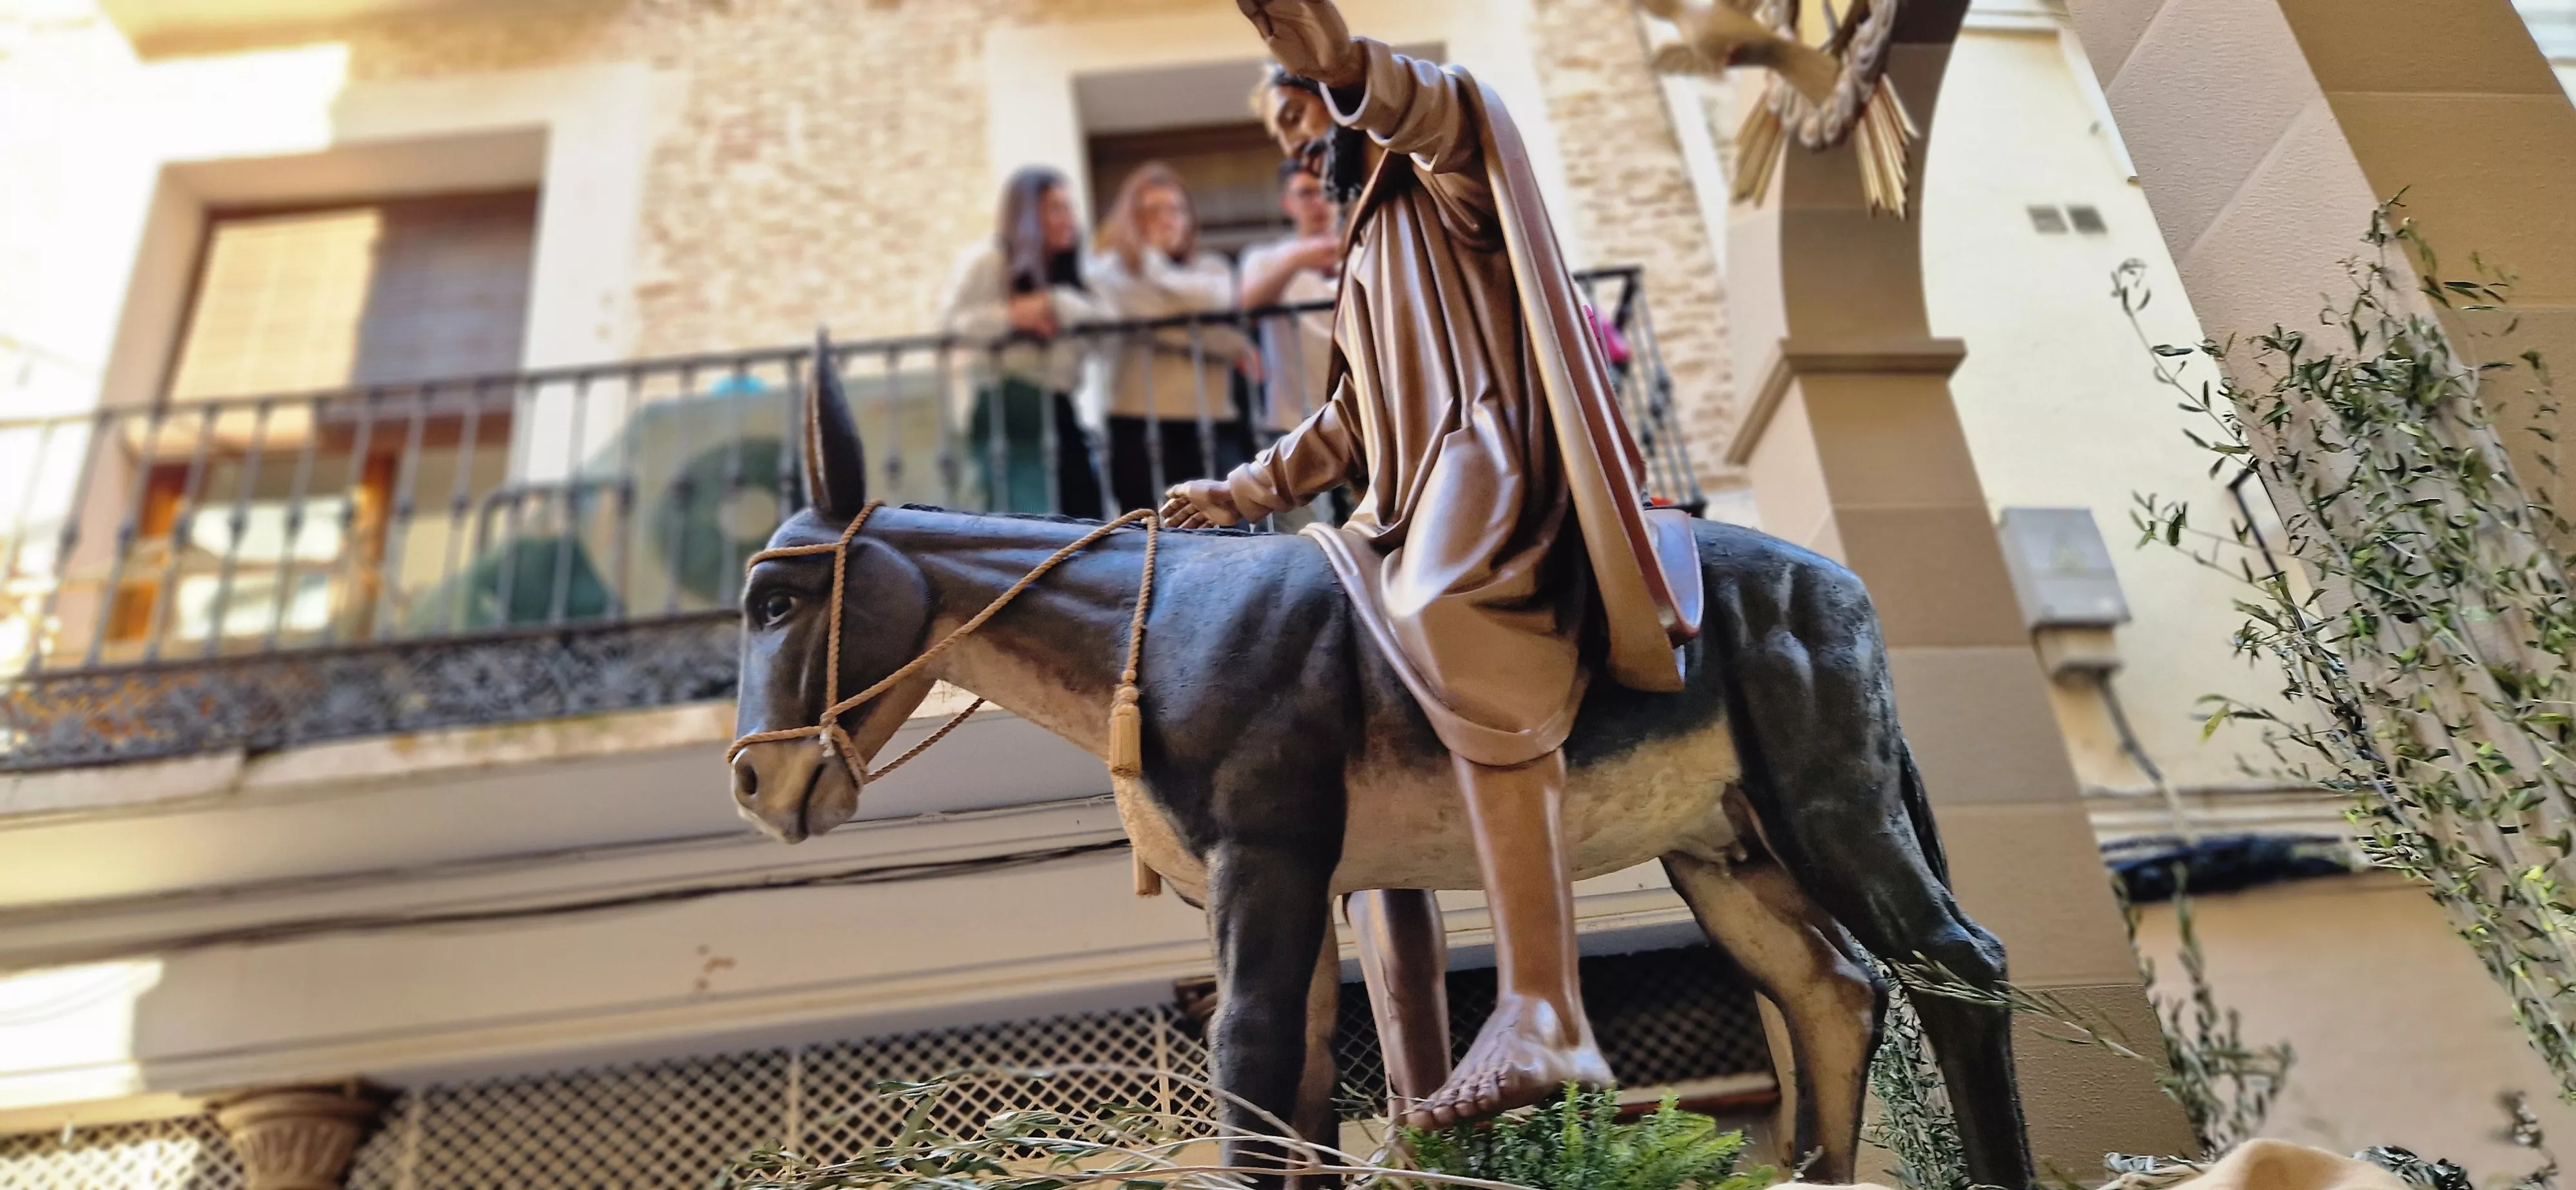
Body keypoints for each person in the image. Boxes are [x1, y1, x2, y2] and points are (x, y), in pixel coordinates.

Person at [1161, 0, 1699, 1131]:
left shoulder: (1442, 176)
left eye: (1301, 115)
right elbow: (1353, 411)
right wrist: (1247, 489)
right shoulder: (1363, 247)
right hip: (1404, 490)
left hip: (1487, 457)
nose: (1297, 145)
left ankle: (1547, 1006)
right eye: (1286, 133)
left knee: (1445, 603)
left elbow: (1442, 114)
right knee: (1338, 676)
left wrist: (1347, 62)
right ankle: (1417, 1083)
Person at [1084, 162, 1259, 514]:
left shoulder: (1213, 267)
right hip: (1139, 426)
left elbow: (1219, 298)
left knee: (1227, 533)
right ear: (1130, 220)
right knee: (1152, 536)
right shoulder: (1107, 272)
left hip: (1213, 423)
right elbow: (1144, 311)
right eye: (1151, 212)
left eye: (1175, 210)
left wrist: (1155, 295)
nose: (1166, 220)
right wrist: (1229, 343)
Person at [939, 165, 1110, 516]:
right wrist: (1012, 316)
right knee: (1030, 518)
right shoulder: (992, 260)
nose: (1068, 219)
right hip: (1009, 401)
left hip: (1058, 403)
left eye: (1069, 208)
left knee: (1085, 518)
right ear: (1028, 214)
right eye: (1055, 208)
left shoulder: (1069, 272)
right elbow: (950, 325)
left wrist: (1054, 302)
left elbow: (1106, 327)